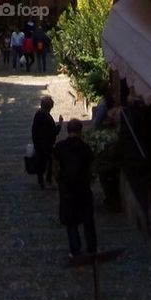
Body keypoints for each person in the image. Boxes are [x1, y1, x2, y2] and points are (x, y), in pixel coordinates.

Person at [53, 119, 98, 260]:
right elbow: (92, 169)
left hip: (67, 188)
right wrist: (90, 179)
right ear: (80, 131)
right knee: (88, 219)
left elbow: (55, 167)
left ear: (68, 130)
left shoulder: (60, 147)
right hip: (83, 188)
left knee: (71, 221)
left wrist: (59, 180)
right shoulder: (85, 147)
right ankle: (92, 248)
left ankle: (75, 250)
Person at [31, 94, 63, 189]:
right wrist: (60, 123)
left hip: (38, 143)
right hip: (46, 144)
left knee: (41, 162)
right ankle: (48, 181)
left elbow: (34, 130)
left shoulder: (37, 115)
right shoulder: (47, 117)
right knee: (49, 162)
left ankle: (41, 180)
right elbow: (54, 132)